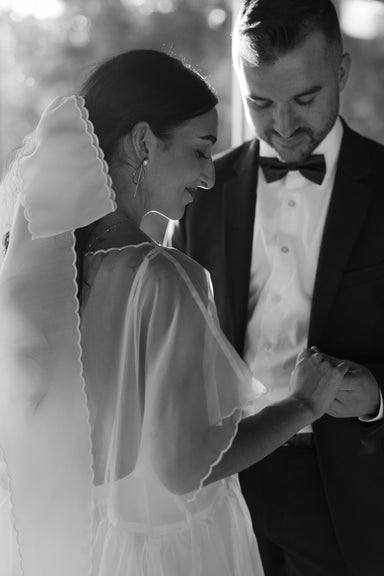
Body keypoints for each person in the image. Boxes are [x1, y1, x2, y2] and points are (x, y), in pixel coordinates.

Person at [0, 49, 347, 576]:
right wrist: (303, 404)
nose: (209, 176)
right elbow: (186, 468)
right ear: (144, 142)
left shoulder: (49, 272)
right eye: (201, 149)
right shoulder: (166, 278)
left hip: (93, 550)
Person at [168, 1, 384, 575]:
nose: (283, 126)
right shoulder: (198, 197)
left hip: (351, 495)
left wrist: (377, 396)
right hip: (224, 485)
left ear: (340, 72)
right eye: (259, 102)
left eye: (304, 99)